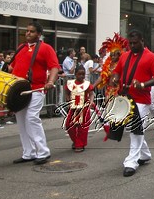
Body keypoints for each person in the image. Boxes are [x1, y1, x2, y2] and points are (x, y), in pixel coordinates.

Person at [109, 30, 154, 177]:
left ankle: (131, 162)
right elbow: (117, 72)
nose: (132, 46)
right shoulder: (125, 56)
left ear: (142, 41)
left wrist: (143, 84)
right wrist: (115, 78)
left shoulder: (152, 57)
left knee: (134, 129)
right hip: (125, 97)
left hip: (141, 99)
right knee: (134, 129)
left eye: (135, 43)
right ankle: (145, 155)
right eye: (130, 43)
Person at [9, 21, 60, 165]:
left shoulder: (46, 48)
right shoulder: (21, 48)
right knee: (21, 121)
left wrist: (50, 81)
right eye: (27, 31)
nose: (28, 33)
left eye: (31, 31)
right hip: (18, 90)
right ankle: (28, 153)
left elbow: (54, 67)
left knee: (31, 118)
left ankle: (43, 152)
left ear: (38, 34)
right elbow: (12, 67)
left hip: (36, 89)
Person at [63, 65, 94, 152]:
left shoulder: (87, 84)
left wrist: (91, 102)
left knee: (82, 128)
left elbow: (91, 94)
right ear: (75, 74)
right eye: (79, 74)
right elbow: (66, 92)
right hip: (73, 108)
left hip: (84, 107)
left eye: (83, 74)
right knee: (69, 125)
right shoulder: (70, 83)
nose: (81, 76)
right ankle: (76, 141)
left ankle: (80, 144)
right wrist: (67, 98)